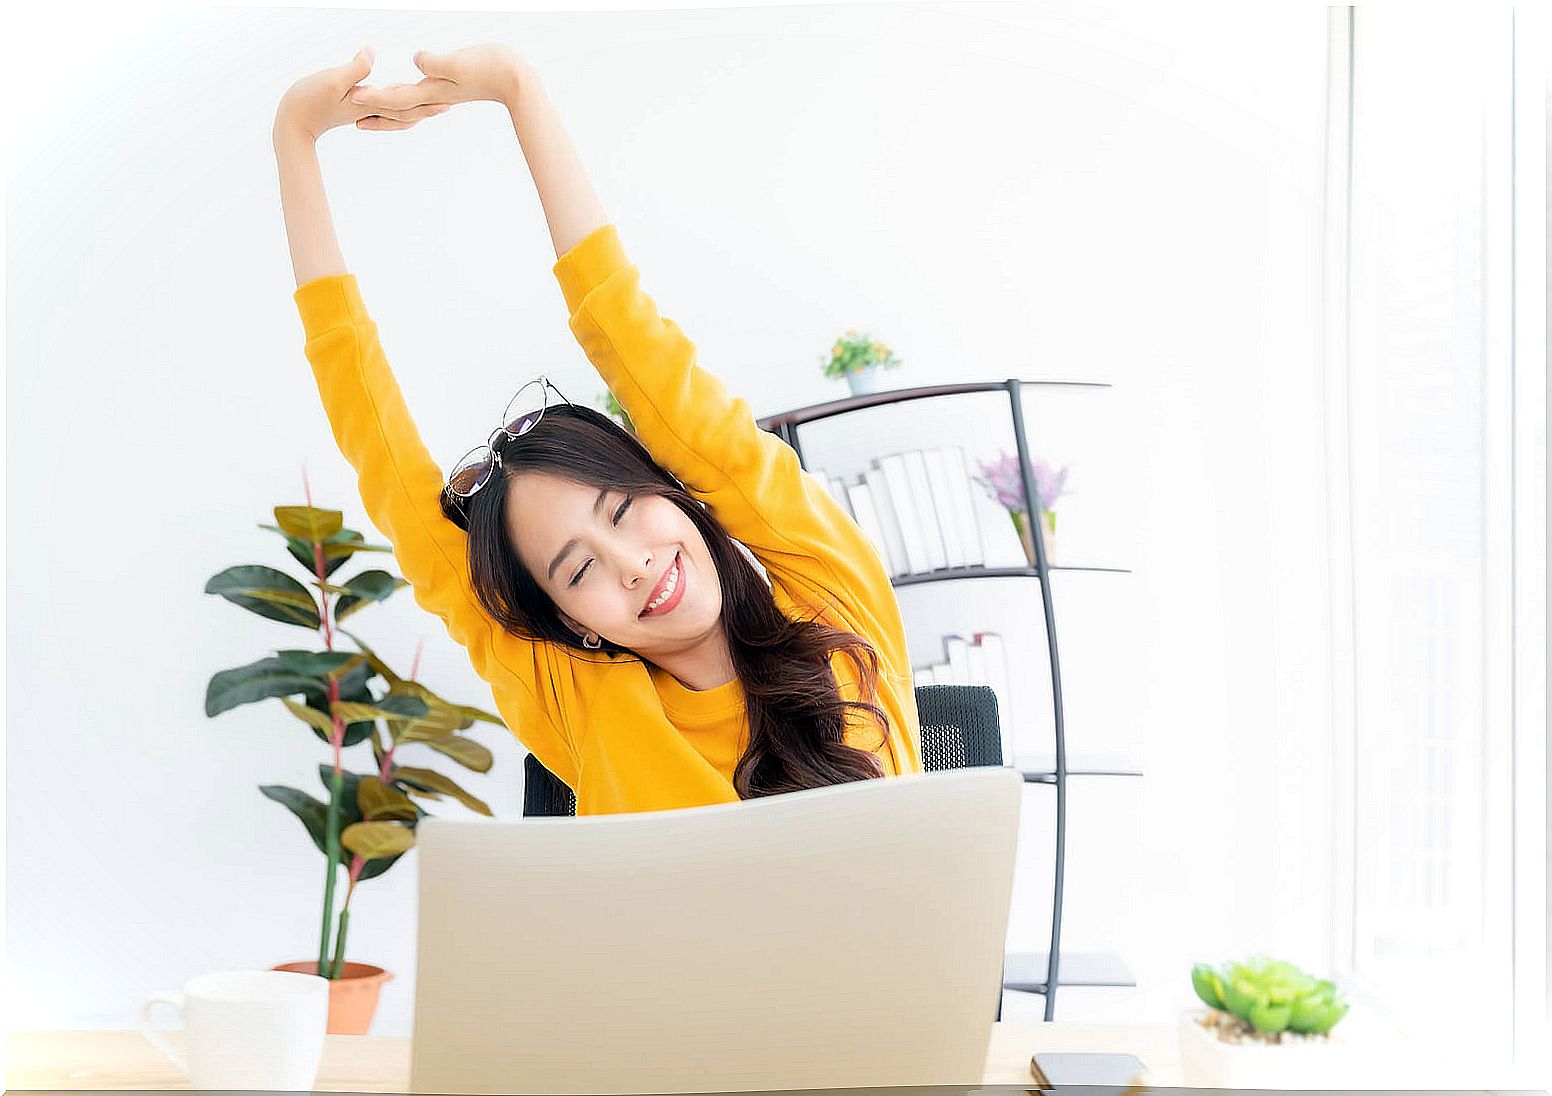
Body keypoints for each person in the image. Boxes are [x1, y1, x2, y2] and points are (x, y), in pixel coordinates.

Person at [272, 43, 922, 815]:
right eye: (578, 573)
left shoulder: (830, 597)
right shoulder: (585, 707)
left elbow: (645, 357)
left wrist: (520, 92)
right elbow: (387, 466)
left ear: (675, 491)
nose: (633, 565)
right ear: (571, 626)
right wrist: (294, 143)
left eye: (620, 511)